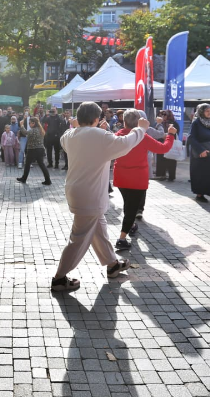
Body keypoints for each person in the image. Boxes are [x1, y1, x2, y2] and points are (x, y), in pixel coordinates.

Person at [51, 102, 147, 291]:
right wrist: (140, 129)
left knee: (98, 229)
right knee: (78, 239)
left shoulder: (70, 135)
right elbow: (125, 144)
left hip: (77, 191)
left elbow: (73, 137)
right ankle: (59, 278)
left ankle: (112, 265)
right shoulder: (100, 136)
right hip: (90, 195)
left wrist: (91, 129)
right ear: (96, 118)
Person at [113, 111, 177, 249]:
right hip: (137, 178)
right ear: (139, 123)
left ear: (124, 122)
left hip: (121, 176)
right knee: (131, 208)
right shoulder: (142, 137)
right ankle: (122, 238)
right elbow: (163, 148)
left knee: (128, 204)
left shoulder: (118, 135)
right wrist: (171, 135)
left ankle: (131, 226)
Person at [189, 104, 210, 202]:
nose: (209, 113)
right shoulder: (196, 123)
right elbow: (191, 138)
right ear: (201, 112)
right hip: (202, 155)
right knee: (201, 175)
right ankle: (199, 194)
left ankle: (208, 192)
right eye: (207, 111)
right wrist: (200, 150)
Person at [17, 117, 51, 185]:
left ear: (33, 123)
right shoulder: (40, 129)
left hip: (33, 149)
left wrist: (22, 126)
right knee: (41, 165)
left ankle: (24, 179)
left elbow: (25, 133)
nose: (29, 124)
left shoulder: (33, 130)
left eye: (30, 123)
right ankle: (48, 180)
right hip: (40, 149)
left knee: (27, 164)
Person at [155, 110, 180, 181]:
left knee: (171, 160)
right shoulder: (159, 123)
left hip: (171, 144)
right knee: (161, 160)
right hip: (160, 143)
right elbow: (155, 132)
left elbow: (176, 132)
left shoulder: (174, 123)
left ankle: (171, 176)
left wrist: (169, 134)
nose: (163, 116)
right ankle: (161, 175)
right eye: (161, 115)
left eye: (164, 115)